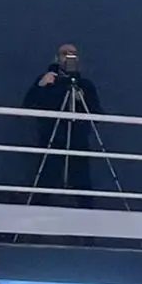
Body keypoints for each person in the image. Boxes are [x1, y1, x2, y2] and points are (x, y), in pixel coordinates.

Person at [22, 43, 104, 205]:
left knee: (81, 178)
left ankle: (87, 211)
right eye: (64, 54)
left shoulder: (85, 85)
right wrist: (41, 86)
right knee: (47, 176)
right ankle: (38, 209)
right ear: (57, 58)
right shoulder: (48, 81)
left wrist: (82, 99)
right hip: (52, 138)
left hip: (78, 140)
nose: (68, 57)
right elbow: (28, 105)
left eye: (72, 54)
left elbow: (97, 112)